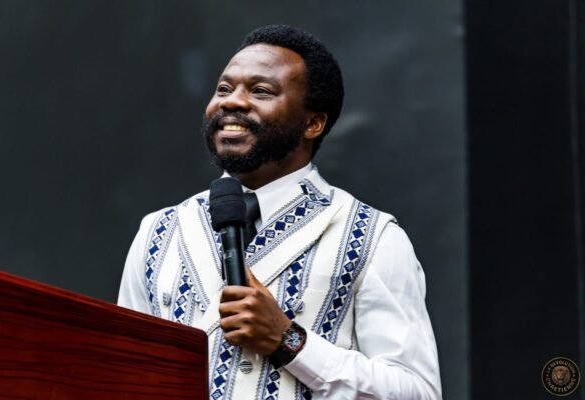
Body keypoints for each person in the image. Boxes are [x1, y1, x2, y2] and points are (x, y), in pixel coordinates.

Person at [118, 24, 442, 400]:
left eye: (260, 91)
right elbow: (121, 373)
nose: (232, 102)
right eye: (224, 88)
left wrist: (289, 341)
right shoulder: (160, 230)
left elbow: (417, 392)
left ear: (312, 123)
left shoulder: (372, 237)